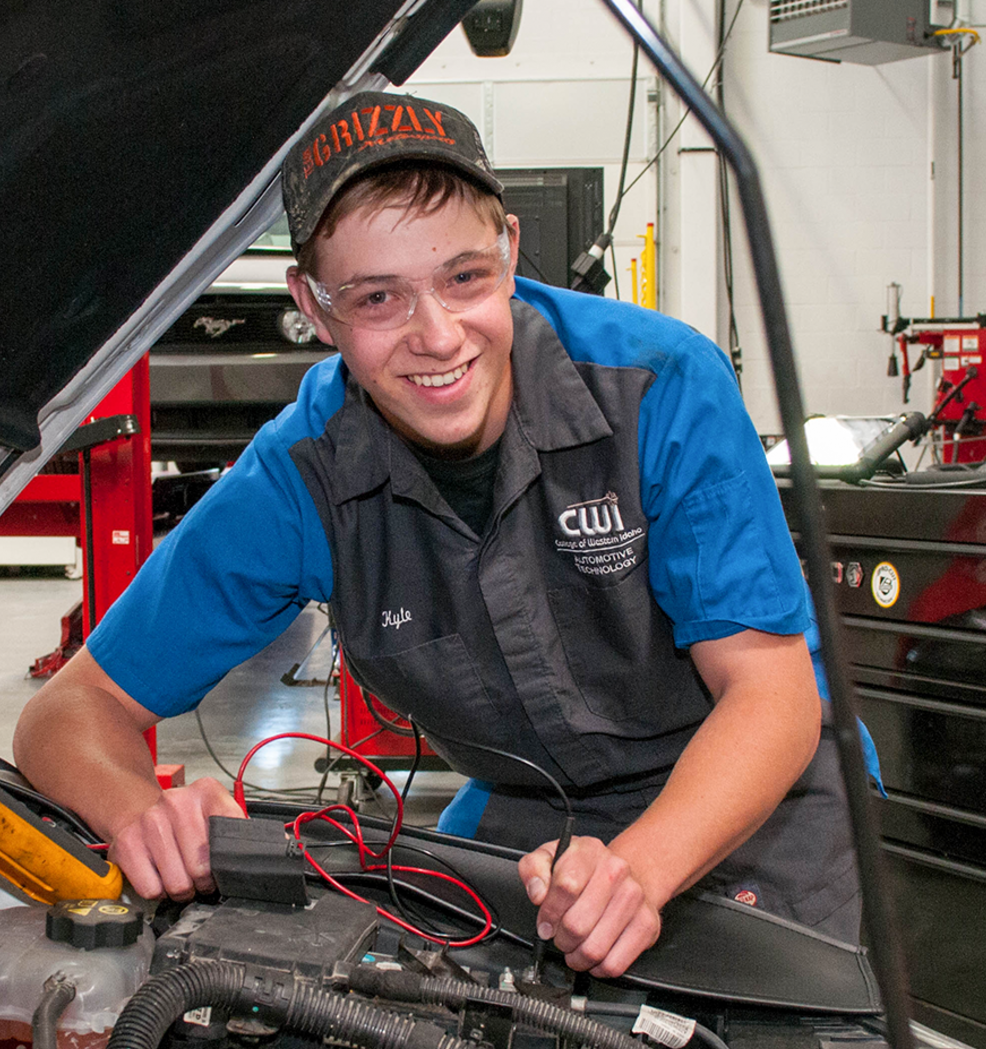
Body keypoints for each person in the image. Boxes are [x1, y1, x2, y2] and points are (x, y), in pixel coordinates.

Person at [13, 90, 864, 978]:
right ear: (314, 306)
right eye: (378, 298)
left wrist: (639, 872)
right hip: (535, 817)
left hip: (752, 806)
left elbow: (771, 694)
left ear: (510, 251)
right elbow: (67, 712)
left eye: (465, 278)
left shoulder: (660, 386)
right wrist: (138, 812)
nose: (437, 336)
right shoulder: (303, 477)